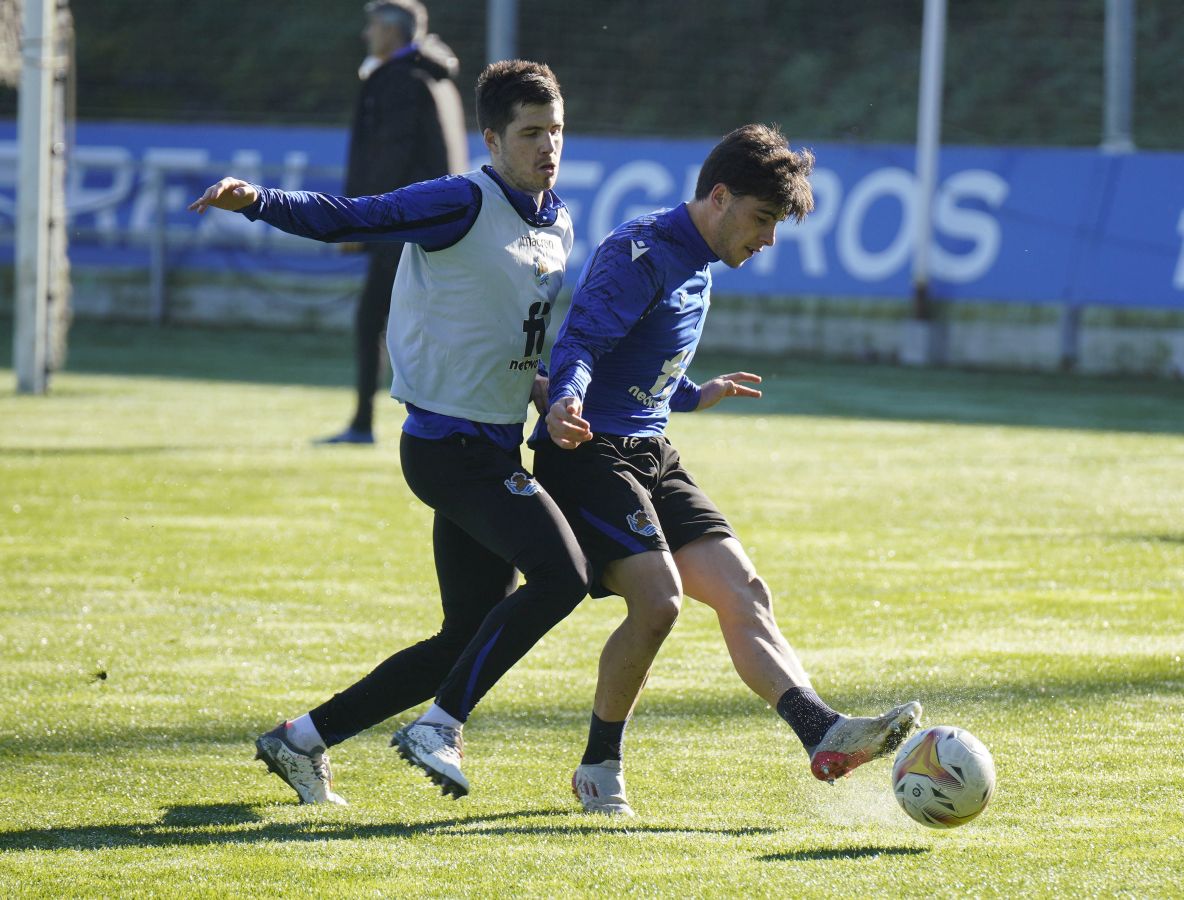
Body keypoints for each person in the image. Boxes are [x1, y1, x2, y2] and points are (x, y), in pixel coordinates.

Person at [190, 60, 589, 805]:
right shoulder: (459, 202)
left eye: (557, 130)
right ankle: (442, 726)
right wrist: (260, 201)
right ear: (492, 137)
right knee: (562, 577)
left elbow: (506, 337)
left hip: (493, 445)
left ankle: (300, 739)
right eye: (531, 133)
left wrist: (542, 393)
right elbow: (354, 215)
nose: (548, 146)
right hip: (447, 450)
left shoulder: (558, 222)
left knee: (461, 639)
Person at [532, 124, 922, 816]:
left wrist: (690, 393)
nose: (768, 240)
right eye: (762, 219)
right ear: (719, 197)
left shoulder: (702, 266)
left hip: (651, 452)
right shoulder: (640, 251)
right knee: (659, 603)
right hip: (587, 450)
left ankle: (823, 734)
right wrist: (563, 400)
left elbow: (642, 360)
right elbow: (584, 343)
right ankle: (598, 766)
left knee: (747, 590)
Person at [319, 0, 469, 445]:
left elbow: (389, 157)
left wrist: (356, 221)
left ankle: (365, 423)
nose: (366, 36)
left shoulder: (397, 81)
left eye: (371, 27)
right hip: (438, 222)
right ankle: (451, 423)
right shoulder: (435, 79)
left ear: (390, 31)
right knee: (434, 329)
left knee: (373, 321)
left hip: (403, 223)